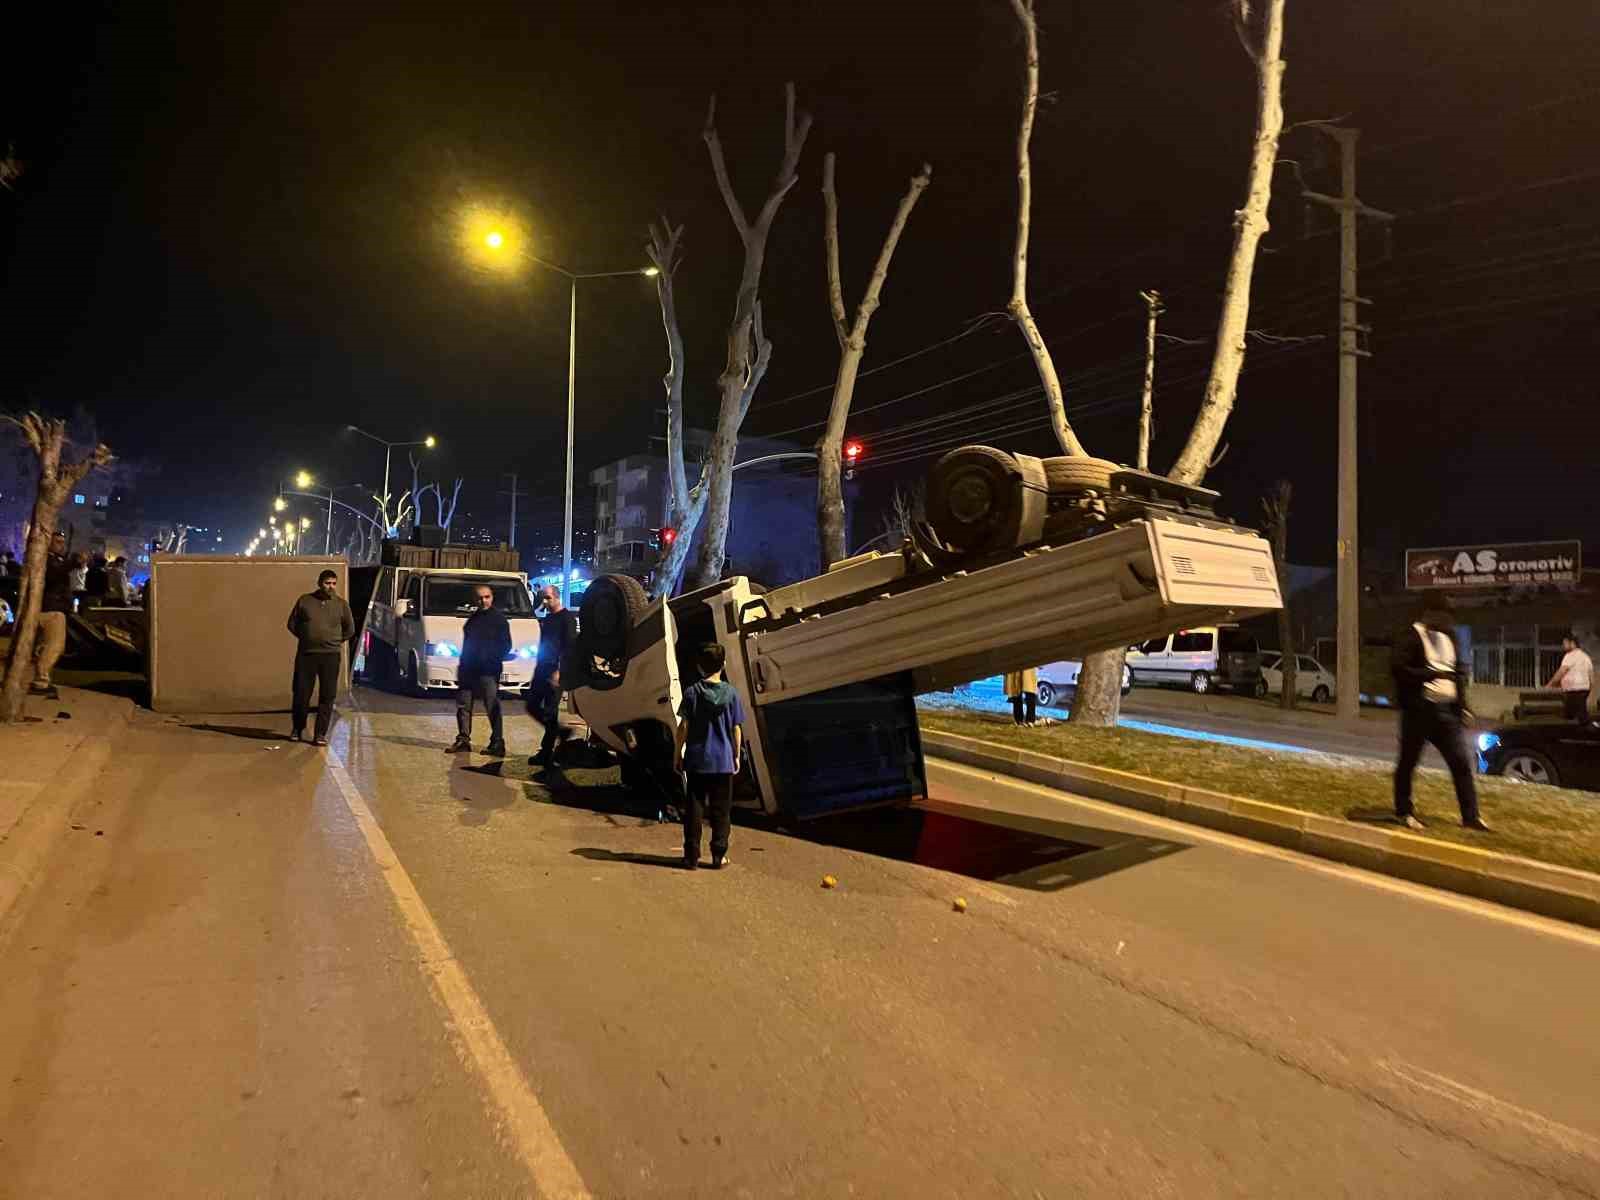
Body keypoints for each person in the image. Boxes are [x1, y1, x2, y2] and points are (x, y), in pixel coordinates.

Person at [1390, 597, 1489, 832]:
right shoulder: (1411, 636)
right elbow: (1399, 669)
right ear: (1429, 613)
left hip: (1447, 714)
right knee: (1408, 763)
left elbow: (1456, 675)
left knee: (1461, 763)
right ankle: (1404, 812)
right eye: (1443, 617)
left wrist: (1462, 706)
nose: (1448, 622)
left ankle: (1471, 817)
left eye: (1450, 618)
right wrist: (1430, 674)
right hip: (1419, 711)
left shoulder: (1450, 637)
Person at [674, 642, 746, 870]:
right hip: (722, 760)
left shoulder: (692, 693)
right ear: (723, 665)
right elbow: (736, 728)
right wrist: (735, 755)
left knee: (694, 809)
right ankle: (718, 855)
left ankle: (692, 856)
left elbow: (683, 727)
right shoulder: (732, 694)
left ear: (699, 667)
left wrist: (678, 753)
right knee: (721, 810)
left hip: (697, 759)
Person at [285, 569, 353, 746]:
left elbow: (350, 629)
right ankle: (297, 729)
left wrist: (334, 641)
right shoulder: (305, 601)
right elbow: (292, 624)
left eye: (333, 583)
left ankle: (320, 734)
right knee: (301, 694)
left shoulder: (341, 605)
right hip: (307, 655)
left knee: (327, 696)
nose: (330, 587)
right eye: (327, 583)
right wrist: (307, 637)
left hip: (330, 657)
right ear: (319, 583)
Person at [448, 584, 511, 757]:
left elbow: (506, 645)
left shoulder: (499, 619)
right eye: (480, 598)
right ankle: (463, 740)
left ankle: (498, 743)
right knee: (464, 706)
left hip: (487, 672)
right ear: (475, 599)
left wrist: (489, 662)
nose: (483, 601)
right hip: (468, 670)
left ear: (492, 597)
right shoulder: (473, 619)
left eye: (487, 597)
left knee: (492, 706)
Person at [527, 583, 580, 767]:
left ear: (557, 597)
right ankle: (561, 732)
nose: (545, 601)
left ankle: (546, 752)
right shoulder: (548, 619)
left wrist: (559, 671)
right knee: (531, 706)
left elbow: (569, 649)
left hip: (555, 671)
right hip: (542, 668)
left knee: (550, 712)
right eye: (543, 597)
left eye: (548, 598)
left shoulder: (567, 619)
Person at [30, 532, 73, 700]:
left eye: (62, 542)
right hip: (52, 610)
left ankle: (40, 678)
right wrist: (74, 562)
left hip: (51, 608)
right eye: (58, 542)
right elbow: (54, 575)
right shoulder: (49, 561)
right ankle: (41, 681)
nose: (61, 545)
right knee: (55, 646)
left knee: (44, 646)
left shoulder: (53, 560)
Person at [1545, 631, 1593, 725]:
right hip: (1584, 689)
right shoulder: (1585, 656)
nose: (1563, 646)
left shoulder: (1570, 656)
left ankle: (1584, 731)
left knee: (1572, 715)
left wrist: (1550, 684)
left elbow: (1561, 672)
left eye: (1565, 643)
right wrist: (1589, 688)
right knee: (1580, 713)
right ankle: (1584, 730)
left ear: (1572, 643)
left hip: (1573, 690)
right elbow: (1591, 675)